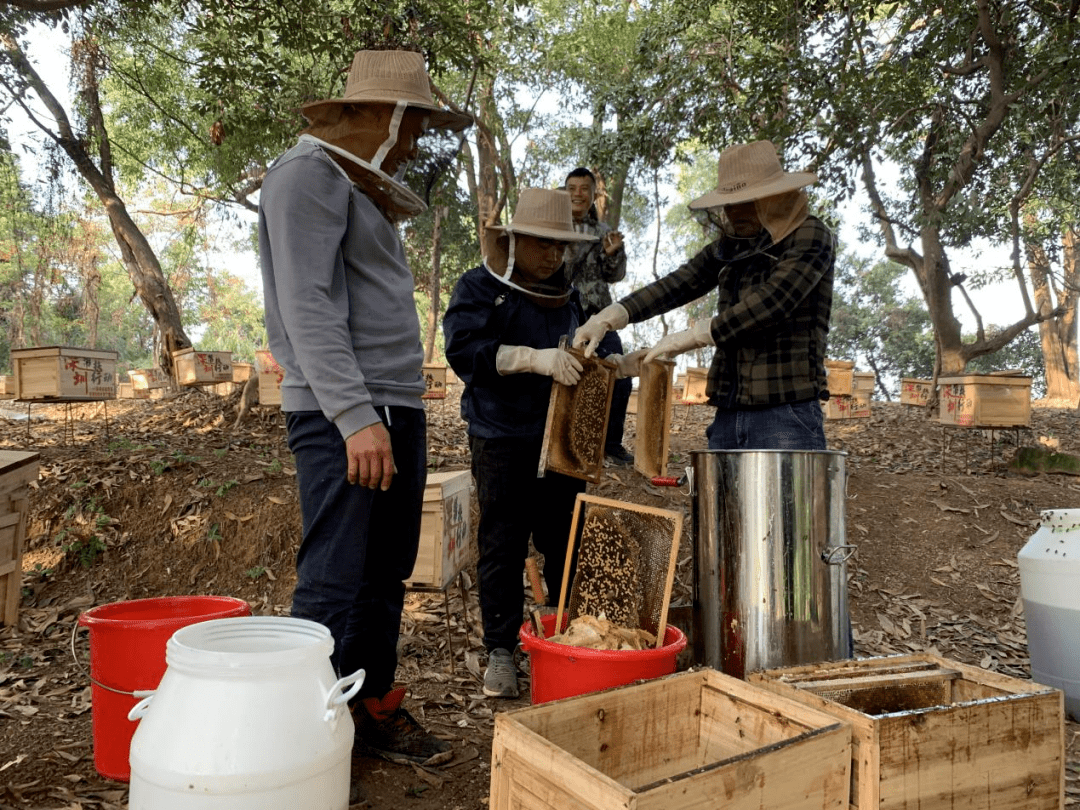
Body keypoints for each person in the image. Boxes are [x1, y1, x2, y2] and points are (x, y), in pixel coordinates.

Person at [258, 50, 472, 767]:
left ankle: (367, 708)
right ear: (368, 115)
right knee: (337, 574)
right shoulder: (305, 175)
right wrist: (353, 416)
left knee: (383, 569)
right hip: (344, 413)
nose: (412, 143)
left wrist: (384, 411)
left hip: (391, 405)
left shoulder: (354, 189)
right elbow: (307, 304)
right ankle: (299, 740)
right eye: (409, 124)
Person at [443, 188, 639, 699]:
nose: (553, 256)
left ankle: (570, 641)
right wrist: (534, 359)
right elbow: (466, 353)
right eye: (542, 245)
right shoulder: (479, 288)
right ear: (515, 241)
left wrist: (619, 365)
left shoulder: (570, 299)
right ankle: (501, 652)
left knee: (564, 542)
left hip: (562, 444)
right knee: (503, 545)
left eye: (561, 247)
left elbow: (596, 350)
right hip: (502, 437)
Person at [574, 140, 835, 451]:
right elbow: (679, 283)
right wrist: (612, 315)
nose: (733, 212)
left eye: (745, 201)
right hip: (729, 408)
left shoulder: (810, 235)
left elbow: (771, 303)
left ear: (772, 196)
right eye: (729, 203)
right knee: (719, 500)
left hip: (786, 411)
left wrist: (689, 337)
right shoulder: (733, 245)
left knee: (784, 502)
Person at [563, 168, 634, 465]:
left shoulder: (605, 231)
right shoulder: (552, 227)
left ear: (594, 194)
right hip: (562, 312)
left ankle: (611, 444)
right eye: (572, 188)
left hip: (599, 315)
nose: (578, 194)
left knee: (619, 376)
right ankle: (565, 445)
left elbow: (614, 276)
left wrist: (614, 253)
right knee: (565, 376)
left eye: (584, 189)